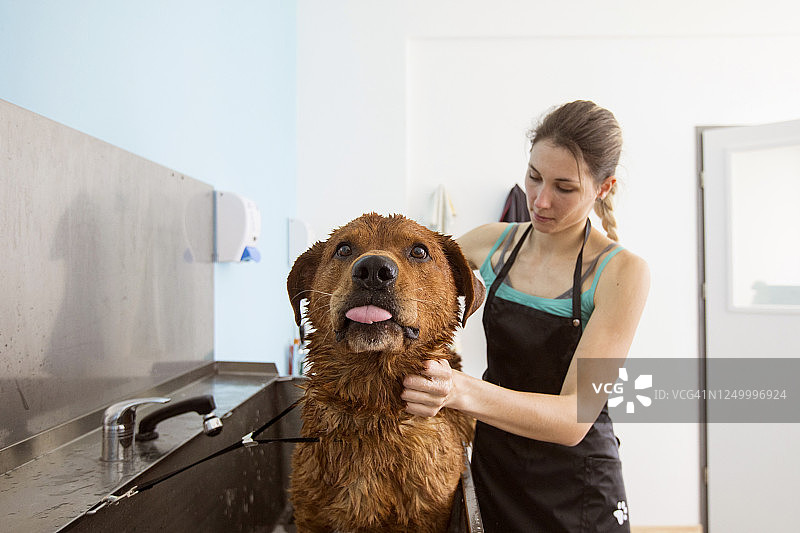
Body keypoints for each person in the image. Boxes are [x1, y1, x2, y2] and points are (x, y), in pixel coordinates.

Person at [401, 100, 650, 532]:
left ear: (603, 188)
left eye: (564, 188)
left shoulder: (621, 273)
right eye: (534, 177)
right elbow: (410, 285)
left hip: (577, 484)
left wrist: (457, 389)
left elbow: (574, 418)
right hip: (496, 467)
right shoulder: (489, 244)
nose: (541, 200)